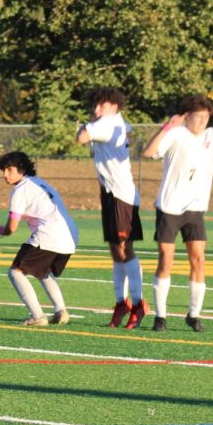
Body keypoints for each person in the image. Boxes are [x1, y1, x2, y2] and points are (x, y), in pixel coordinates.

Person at [142, 95, 213, 332]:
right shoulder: (175, 133)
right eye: (198, 116)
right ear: (187, 116)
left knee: (199, 260)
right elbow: (149, 152)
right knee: (166, 260)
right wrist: (166, 127)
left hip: (195, 208)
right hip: (170, 207)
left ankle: (194, 315)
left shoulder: (212, 136)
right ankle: (160, 316)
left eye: (206, 117)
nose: (203, 121)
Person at [76, 87, 147, 329]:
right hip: (110, 193)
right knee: (116, 251)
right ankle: (121, 302)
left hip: (121, 195)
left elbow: (81, 137)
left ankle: (138, 303)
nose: (96, 110)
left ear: (114, 107)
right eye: (94, 105)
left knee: (125, 249)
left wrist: (83, 126)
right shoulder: (112, 122)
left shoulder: (107, 123)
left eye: (102, 105)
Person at [0, 151, 77, 326]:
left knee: (15, 272)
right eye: (3, 170)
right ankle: (60, 311)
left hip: (49, 234)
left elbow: (12, 228)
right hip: (69, 235)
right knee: (43, 271)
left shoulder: (20, 190)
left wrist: (3, 230)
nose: (5, 175)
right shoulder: (41, 183)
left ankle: (37, 316)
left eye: (9, 170)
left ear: (22, 169)